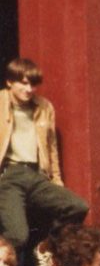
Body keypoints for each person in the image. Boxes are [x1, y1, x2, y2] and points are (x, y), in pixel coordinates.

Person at [0, 58, 88, 251]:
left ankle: (45, 247)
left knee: (77, 206)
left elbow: (51, 148)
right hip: (8, 176)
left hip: (36, 175)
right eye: (23, 83)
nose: (29, 89)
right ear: (9, 82)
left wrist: (56, 180)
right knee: (17, 236)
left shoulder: (44, 107)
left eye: (33, 84)